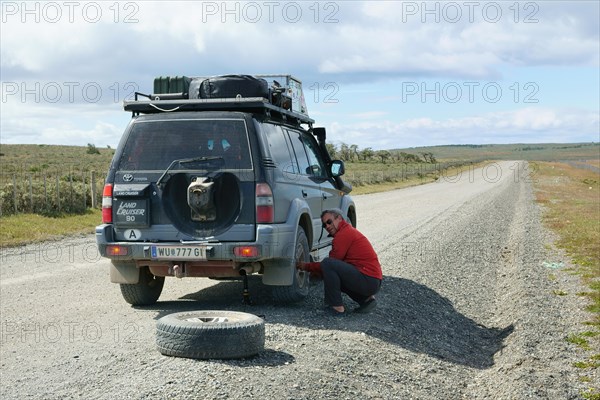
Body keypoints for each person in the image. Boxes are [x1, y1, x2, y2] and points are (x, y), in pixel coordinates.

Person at [297, 208, 382, 315]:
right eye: (324, 225)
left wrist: (306, 266)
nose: (327, 226)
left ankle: (336, 307)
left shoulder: (343, 234)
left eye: (329, 222)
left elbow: (330, 264)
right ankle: (366, 300)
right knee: (334, 274)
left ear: (339, 219)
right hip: (372, 280)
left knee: (328, 264)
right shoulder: (347, 231)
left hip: (368, 279)